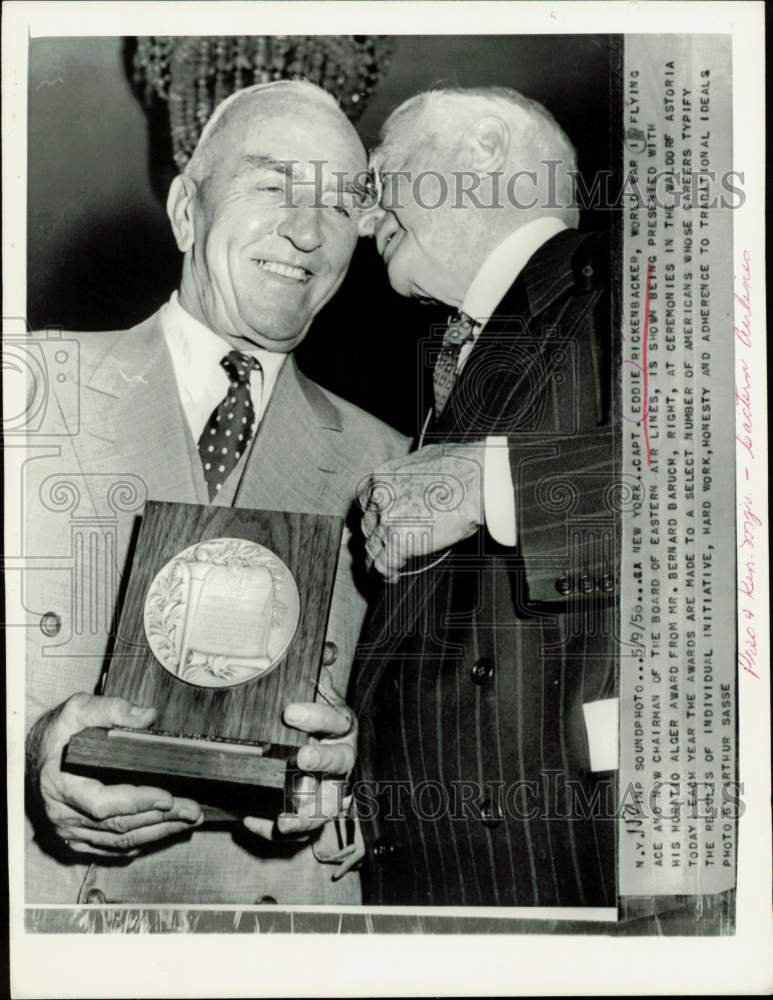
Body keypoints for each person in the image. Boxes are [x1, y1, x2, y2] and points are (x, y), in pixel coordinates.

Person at [23, 80, 407, 906]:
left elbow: (439, 740)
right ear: (185, 212)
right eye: (271, 186)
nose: (306, 232)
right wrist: (36, 755)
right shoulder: (26, 398)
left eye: (340, 205)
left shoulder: (396, 467)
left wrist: (349, 785)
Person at [351, 86, 619, 907]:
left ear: (482, 149)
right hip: (440, 879)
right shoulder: (453, 357)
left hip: (581, 870)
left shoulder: (639, 265)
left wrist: (486, 482)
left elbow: (724, 485)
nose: (362, 221)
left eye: (380, 175)